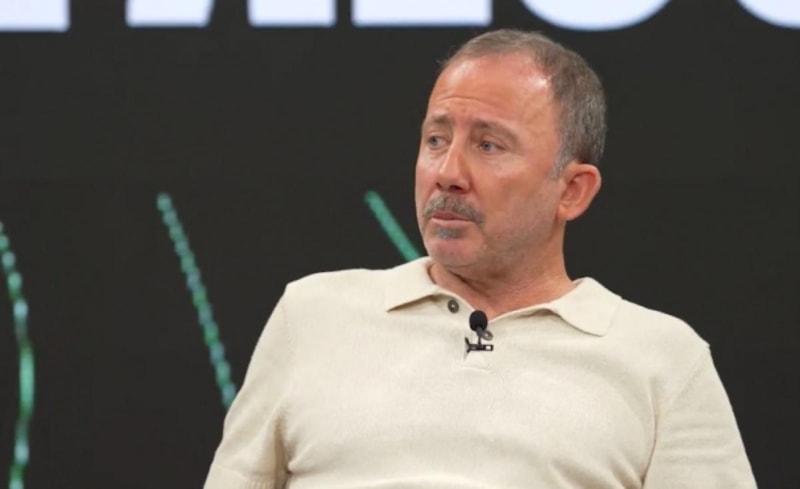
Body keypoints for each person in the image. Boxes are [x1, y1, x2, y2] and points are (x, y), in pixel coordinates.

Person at [204, 29, 756, 488]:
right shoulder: (313, 314)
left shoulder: (663, 360)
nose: (447, 172)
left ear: (572, 191)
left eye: (489, 145)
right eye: (436, 140)